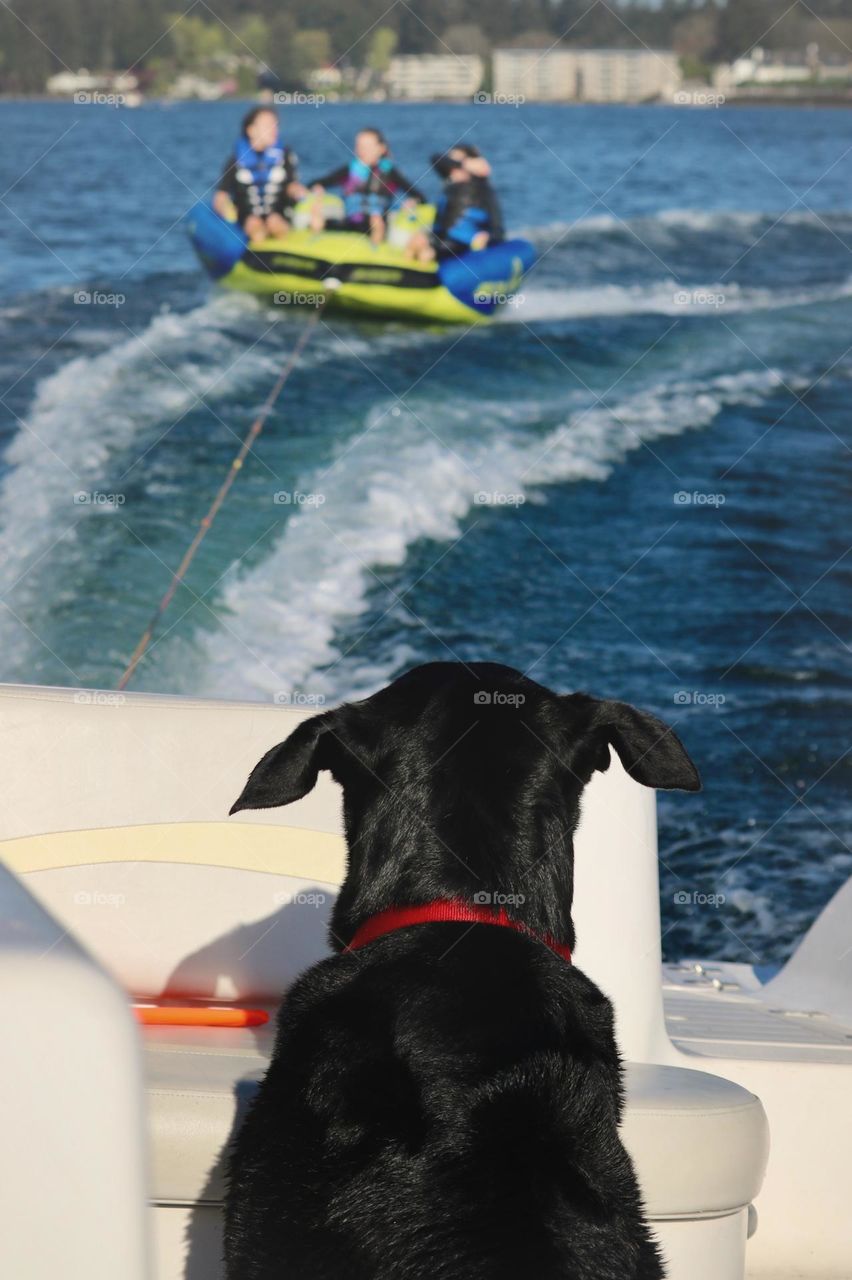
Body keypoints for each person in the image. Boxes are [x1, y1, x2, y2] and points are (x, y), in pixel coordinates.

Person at [307, 127, 425, 245]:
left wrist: (413, 201)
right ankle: (314, 243)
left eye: (367, 147)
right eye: (359, 146)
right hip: (350, 219)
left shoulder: (390, 173)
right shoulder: (349, 170)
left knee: (376, 220)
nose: (362, 151)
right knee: (318, 212)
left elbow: (419, 196)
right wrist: (317, 188)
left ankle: (375, 248)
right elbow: (318, 182)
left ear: (381, 149)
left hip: (377, 221)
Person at [213, 106, 306, 242]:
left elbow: (292, 185)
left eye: (276, 125)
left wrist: (301, 193)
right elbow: (220, 196)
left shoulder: (284, 156)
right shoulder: (236, 160)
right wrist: (225, 209)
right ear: (251, 130)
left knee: (275, 222)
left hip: (277, 214)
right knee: (255, 226)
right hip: (248, 217)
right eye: (268, 125)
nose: (274, 130)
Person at [406, 144, 504, 263]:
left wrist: (488, 238)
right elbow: (435, 159)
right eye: (450, 164)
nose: (452, 169)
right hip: (442, 240)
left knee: (427, 253)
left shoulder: (483, 191)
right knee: (416, 242)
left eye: (457, 164)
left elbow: (498, 230)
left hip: (464, 245)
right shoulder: (449, 190)